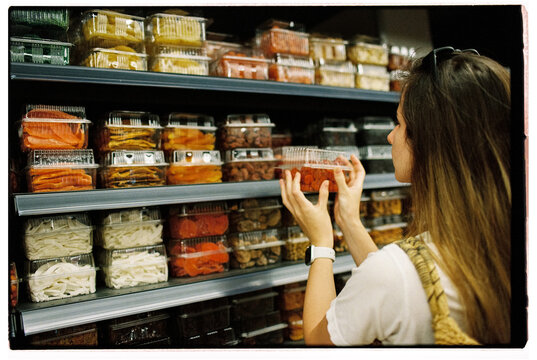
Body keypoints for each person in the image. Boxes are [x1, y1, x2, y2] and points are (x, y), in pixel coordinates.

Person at [279, 47, 511, 345]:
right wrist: (349, 221)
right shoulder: (498, 239)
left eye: (400, 123)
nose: (390, 136)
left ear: (428, 141)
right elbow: (401, 282)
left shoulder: (394, 275)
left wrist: (321, 244)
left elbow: (318, 341)